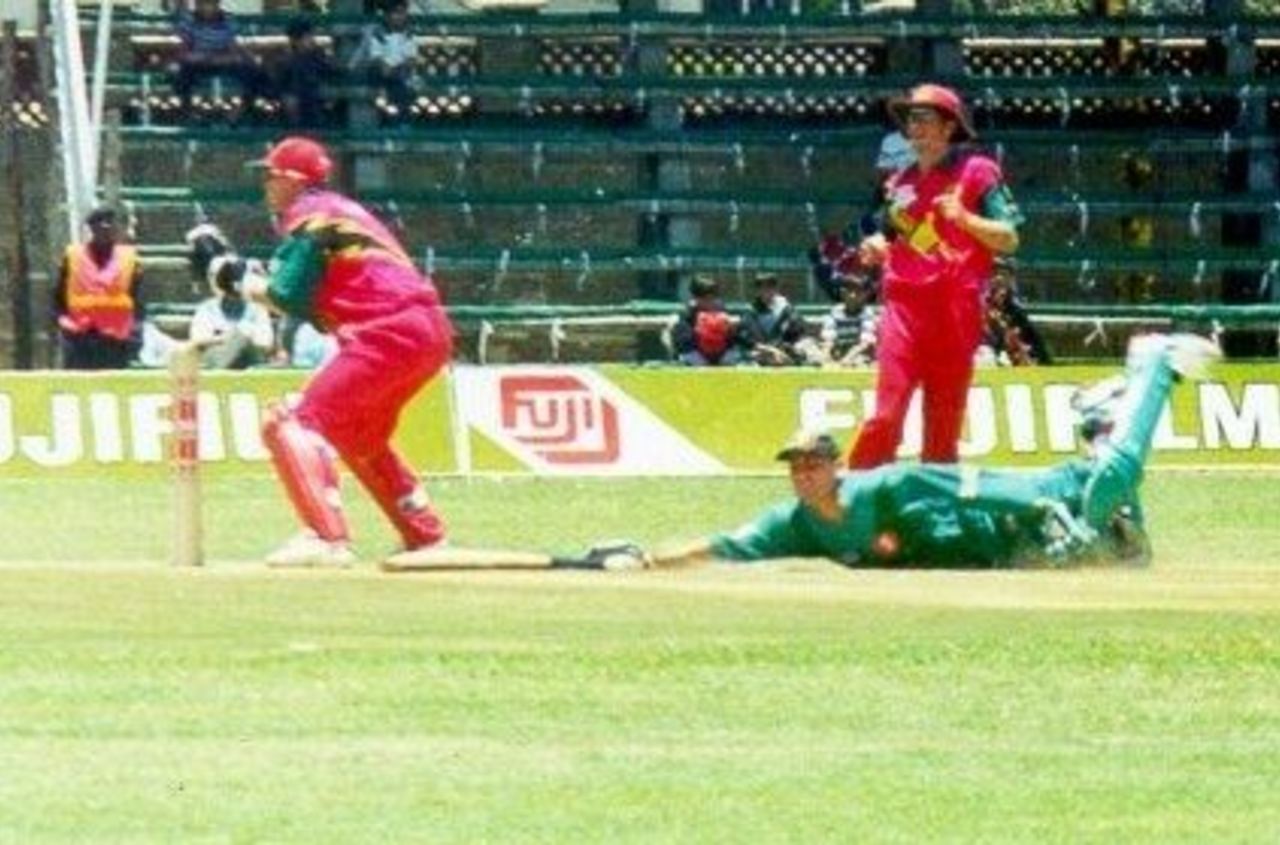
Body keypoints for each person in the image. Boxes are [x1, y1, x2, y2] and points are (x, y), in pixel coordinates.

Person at [600, 334, 1219, 572]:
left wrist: (1039, 506)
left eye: (814, 463)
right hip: (1005, 553)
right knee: (1127, 555)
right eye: (795, 467)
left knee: (1109, 477)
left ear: (837, 467)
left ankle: (1152, 367)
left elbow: (967, 484)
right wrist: (648, 560)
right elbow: (722, 546)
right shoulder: (796, 525)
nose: (804, 475)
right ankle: (1108, 412)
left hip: (1033, 503)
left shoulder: (884, 487)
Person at [234, 136, 454, 567]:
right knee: (359, 435)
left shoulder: (309, 215)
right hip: (428, 331)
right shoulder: (339, 212)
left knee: (292, 420)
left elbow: (287, 295)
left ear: (293, 180)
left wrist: (236, 282)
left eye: (271, 175)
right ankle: (424, 534)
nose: (265, 185)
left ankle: (325, 537)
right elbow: (319, 298)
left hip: (387, 331)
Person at [846, 83, 1022, 469]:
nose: (915, 126)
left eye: (925, 118)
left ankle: (932, 518)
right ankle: (851, 502)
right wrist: (877, 245)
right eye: (911, 119)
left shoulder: (978, 171)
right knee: (885, 416)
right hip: (905, 308)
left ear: (948, 127)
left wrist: (965, 218)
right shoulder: (899, 183)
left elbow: (1009, 237)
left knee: (942, 431)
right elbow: (894, 235)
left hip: (955, 309)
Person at [54, 206, 144, 369]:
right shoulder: (73, 256)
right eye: (99, 223)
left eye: (109, 222)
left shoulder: (129, 259)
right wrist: (63, 327)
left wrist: (135, 334)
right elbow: (58, 297)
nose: (105, 227)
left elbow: (137, 300)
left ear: (116, 228)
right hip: (78, 338)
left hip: (115, 340)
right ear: (91, 228)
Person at [171, 0, 266, 118]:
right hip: (199, 61)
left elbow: (234, 48)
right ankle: (187, 110)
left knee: (250, 69)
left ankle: (245, 109)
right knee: (183, 71)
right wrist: (200, 57)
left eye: (211, 4)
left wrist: (228, 58)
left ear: (217, 5)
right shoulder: (188, 21)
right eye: (202, 4)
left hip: (223, 60)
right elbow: (184, 51)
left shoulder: (229, 20)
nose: (207, 7)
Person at [189, 253, 277, 369]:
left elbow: (265, 343)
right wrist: (233, 338)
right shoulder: (206, 309)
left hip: (250, 369)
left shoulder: (257, 309)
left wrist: (228, 338)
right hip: (215, 371)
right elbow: (198, 340)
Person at [348, 0, 420, 122]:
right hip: (380, 71)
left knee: (402, 83)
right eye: (396, 13)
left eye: (402, 13)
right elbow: (376, 58)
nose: (399, 17)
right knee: (397, 81)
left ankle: (398, 117)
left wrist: (401, 68)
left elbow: (411, 58)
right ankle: (398, 118)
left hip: (399, 72)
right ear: (387, 15)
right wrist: (389, 68)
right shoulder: (378, 32)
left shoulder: (408, 33)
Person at [270, 16, 339, 129]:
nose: (311, 39)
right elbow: (279, 83)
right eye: (307, 36)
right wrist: (286, 96)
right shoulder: (286, 58)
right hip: (294, 101)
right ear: (297, 39)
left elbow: (330, 71)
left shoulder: (316, 54)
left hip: (311, 99)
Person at [736, 273, 809, 367]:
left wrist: (785, 347)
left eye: (770, 287)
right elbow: (746, 340)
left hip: (783, 349)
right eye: (761, 287)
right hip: (760, 351)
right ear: (757, 290)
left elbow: (799, 330)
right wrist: (771, 350)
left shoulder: (786, 308)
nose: (766, 291)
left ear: (775, 289)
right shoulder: (750, 311)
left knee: (805, 348)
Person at [670, 275, 742, 366]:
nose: (709, 302)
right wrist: (701, 333)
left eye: (713, 297)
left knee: (732, 355)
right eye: (704, 298)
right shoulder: (688, 314)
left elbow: (733, 340)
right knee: (691, 357)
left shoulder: (721, 311)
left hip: (721, 354)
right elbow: (684, 343)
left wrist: (731, 329)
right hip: (697, 354)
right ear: (695, 297)